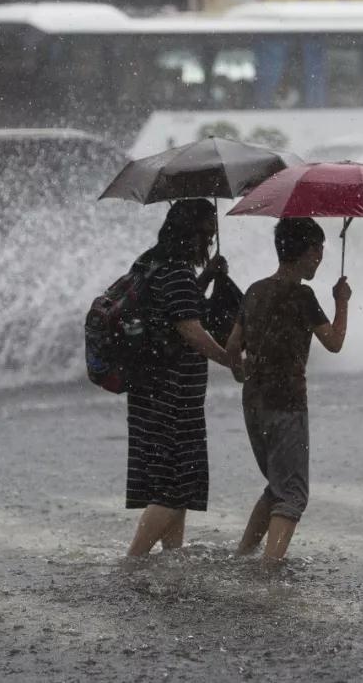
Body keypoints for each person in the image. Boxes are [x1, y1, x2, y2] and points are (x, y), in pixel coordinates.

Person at [224, 217, 352, 568]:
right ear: (309, 252)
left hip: (253, 402)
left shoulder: (254, 290)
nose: (321, 258)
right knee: (293, 494)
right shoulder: (302, 295)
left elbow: (233, 345)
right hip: (288, 403)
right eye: (319, 251)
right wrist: (341, 301)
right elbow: (335, 342)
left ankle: (242, 555)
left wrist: (240, 374)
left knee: (276, 484)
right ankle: (269, 569)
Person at [125, 198, 233, 557]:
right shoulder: (176, 271)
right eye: (209, 234)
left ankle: (172, 556)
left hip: (150, 390)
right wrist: (229, 359)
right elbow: (188, 328)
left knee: (178, 481)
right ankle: (134, 560)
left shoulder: (151, 263)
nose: (211, 241)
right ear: (194, 234)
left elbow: (170, 310)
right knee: (173, 485)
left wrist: (205, 278)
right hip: (170, 395)